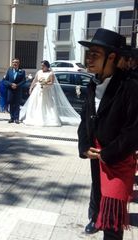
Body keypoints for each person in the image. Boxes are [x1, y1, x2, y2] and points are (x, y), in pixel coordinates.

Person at [78, 28, 138, 239]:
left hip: (117, 160)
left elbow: (133, 131)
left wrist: (108, 153)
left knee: (113, 216)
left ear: (112, 57)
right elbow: (84, 119)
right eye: (88, 53)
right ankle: (94, 218)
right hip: (96, 154)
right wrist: (84, 146)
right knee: (97, 191)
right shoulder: (92, 85)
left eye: (95, 54)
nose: (89, 58)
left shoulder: (130, 87)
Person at [20, 60, 80, 126]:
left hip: (46, 91)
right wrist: (31, 88)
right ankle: (35, 117)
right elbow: (35, 80)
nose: (42, 67)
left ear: (47, 66)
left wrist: (45, 83)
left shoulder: (51, 73)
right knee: (36, 104)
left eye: (43, 66)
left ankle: (47, 118)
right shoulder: (39, 72)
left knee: (47, 105)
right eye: (41, 66)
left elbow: (52, 83)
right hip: (37, 91)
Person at [3, 58, 26, 123]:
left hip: (18, 90)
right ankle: (12, 118)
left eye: (16, 62)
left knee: (17, 104)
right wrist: (11, 84)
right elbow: (5, 80)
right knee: (11, 104)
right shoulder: (9, 71)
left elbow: (24, 81)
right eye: (13, 62)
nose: (14, 64)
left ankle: (16, 118)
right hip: (10, 90)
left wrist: (17, 85)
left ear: (18, 63)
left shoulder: (22, 71)